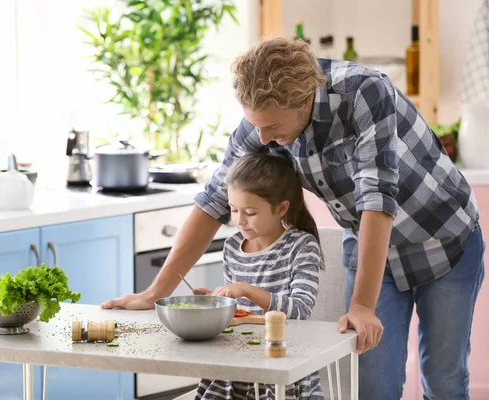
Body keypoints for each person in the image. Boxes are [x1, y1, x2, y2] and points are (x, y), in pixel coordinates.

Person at [102, 38, 485, 399]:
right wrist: (156, 293)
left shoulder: (365, 93)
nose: (262, 137)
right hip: (370, 247)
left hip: (442, 240)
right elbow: (214, 200)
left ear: (304, 99)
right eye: (255, 124)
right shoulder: (262, 123)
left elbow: (377, 198)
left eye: (271, 127)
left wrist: (363, 306)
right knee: (370, 383)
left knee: (443, 379)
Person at [193, 151, 323, 400]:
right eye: (233, 210)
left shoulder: (301, 246)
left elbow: (300, 311)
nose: (240, 221)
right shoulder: (232, 246)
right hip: (238, 361)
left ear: (281, 208)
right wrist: (217, 300)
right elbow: (240, 312)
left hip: (283, 361)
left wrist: (247, 290)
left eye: (250, 213)